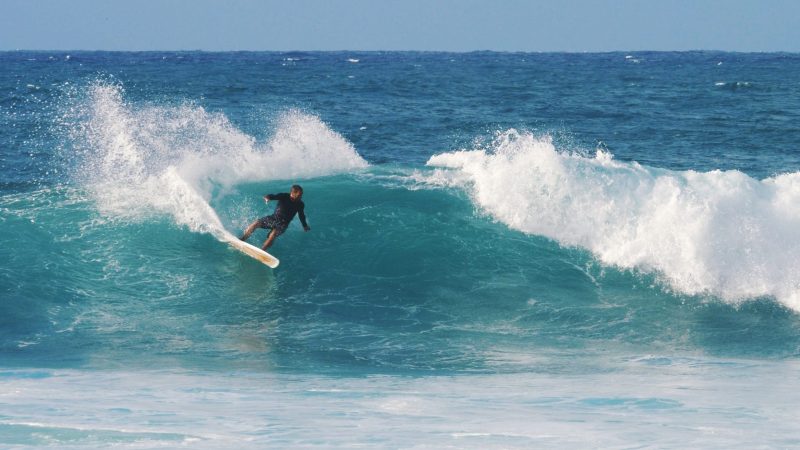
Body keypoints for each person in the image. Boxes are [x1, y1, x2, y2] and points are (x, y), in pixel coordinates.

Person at [240, 184, 310, 251]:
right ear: (293, 193)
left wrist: (305, 226)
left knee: (273, 234)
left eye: (301, 194)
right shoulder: (284, 196)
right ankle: (242, 239)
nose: (301, 196)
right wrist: (267, 197)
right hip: (273, 218)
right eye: (299, 195)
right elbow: (274, 196)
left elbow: (301, 215)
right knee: (256, 223)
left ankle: (262, 251)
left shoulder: (300, 204)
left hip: (283, 224)